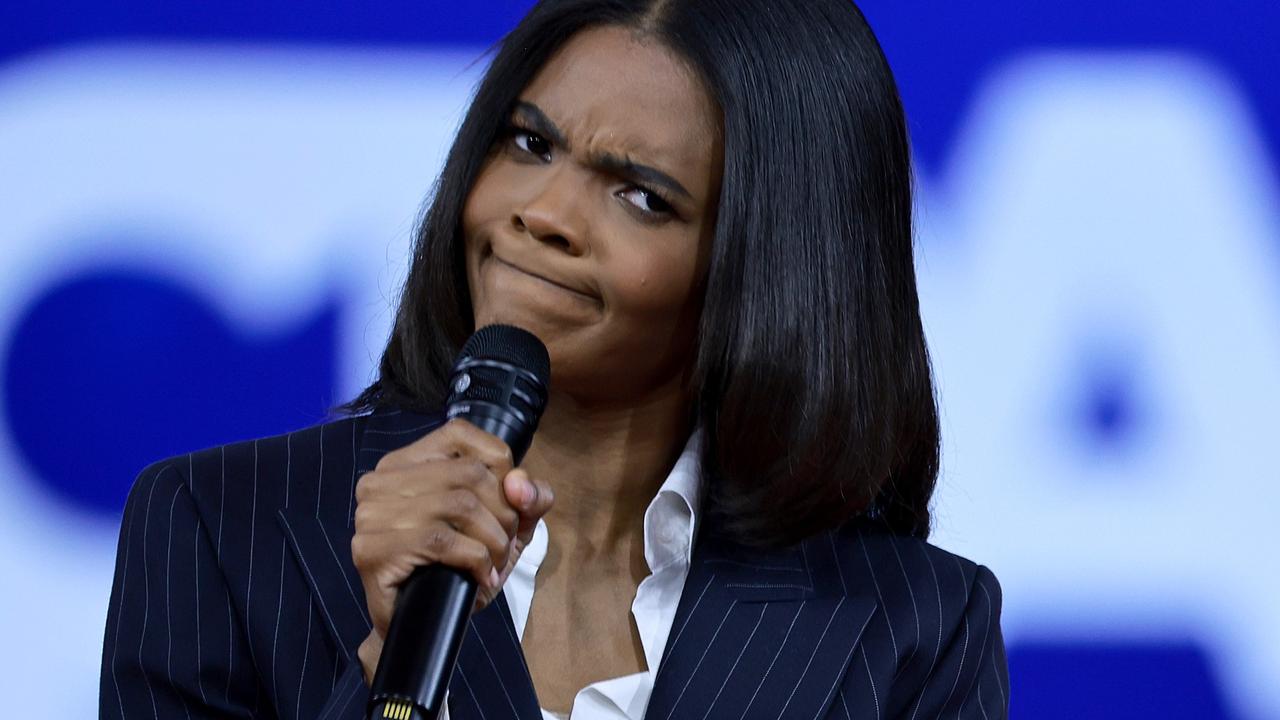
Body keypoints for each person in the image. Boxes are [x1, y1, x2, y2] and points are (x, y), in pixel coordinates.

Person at [101, 0, 1010, 717]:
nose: (541, 214)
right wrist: (391, 667)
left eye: (641, 196)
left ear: (768, 269)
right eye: (530, 144)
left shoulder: (911, 626)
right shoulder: (221, 531)